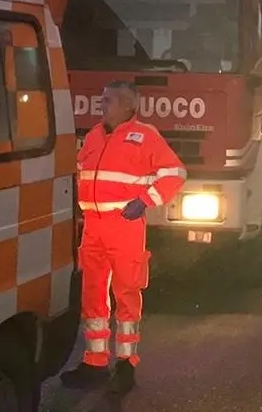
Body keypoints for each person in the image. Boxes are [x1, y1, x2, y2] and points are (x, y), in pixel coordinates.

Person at [62, 80, 187, 394]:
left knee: (126, 295)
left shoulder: (145, 137)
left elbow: (175, 173)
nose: (102, 105)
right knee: (92, 296)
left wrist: (145, 201)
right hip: (92, 227)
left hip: (124, 227)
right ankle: (94, 363)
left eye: (110, 100)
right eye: (102, 99)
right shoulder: (92, 136)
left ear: (129, 106)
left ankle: (125, 365)